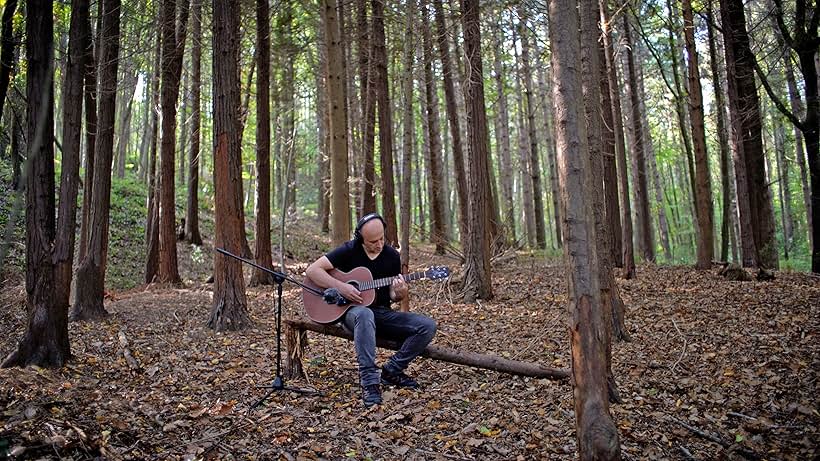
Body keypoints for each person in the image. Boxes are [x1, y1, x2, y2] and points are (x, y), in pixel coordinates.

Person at [306, 212, 437, 407]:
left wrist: (400, 293)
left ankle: (392, 370)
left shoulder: (392, 256)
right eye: (373, 241)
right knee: (364, 314)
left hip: (381, 313)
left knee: (427, 326)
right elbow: (312, 270)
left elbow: (392, 295)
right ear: (361, 239)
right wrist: (342, 287)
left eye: (382, 238)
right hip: (351, 314)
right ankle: (369, 381)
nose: (379, 244)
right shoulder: (349, 250)